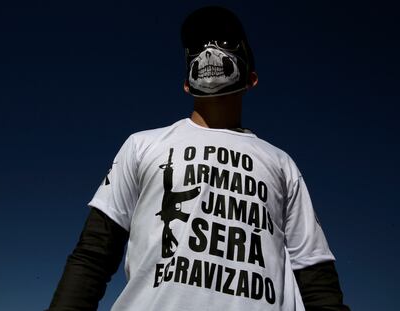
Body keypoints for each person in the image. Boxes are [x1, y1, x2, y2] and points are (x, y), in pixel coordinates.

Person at [48, 5, 350, 311]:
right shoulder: (142, 145)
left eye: (226, 43)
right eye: (198, 47)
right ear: (185, 84)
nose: (209, 52)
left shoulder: (282, 165)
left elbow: (316, 279)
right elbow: (93, 255)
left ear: (252, 78)